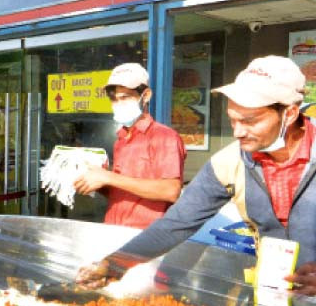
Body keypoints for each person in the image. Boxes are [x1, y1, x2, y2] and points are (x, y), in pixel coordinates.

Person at [77, 56, 316, 293]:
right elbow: (177, 223)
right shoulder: (228, 163)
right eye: (232, 120)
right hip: (277, 297)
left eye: (250, 121)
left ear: (290, 114)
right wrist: (115, 264)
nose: (238, 132)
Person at [73, 63, 186, 228]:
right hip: (115, 230)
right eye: (113, 98)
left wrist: (109, 177)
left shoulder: (164, 136)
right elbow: (122, 191)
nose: (117, 103)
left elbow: (171, 191)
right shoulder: (122, 138)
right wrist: (94, 180)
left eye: (125, 97)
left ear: (146, 95)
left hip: (147, 237)